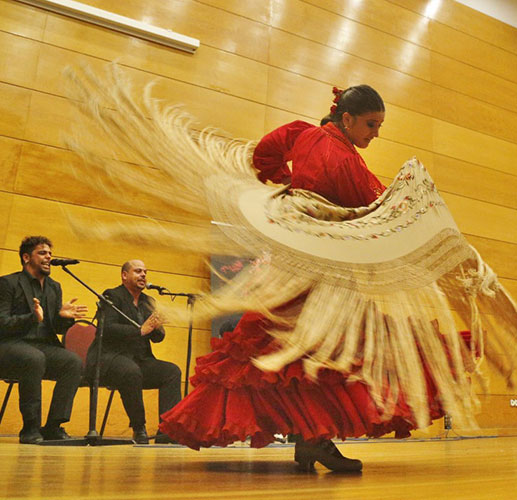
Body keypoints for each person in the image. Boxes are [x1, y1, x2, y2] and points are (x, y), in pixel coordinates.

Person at [159, 85, 419, 472]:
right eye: (371, 124)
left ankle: (311, 441)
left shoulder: (300, 132)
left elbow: (265, 154)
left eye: (379, 125)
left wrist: (287, 186)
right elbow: (374, 209)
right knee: (319, 351)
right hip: (317, 266)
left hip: (294, 261)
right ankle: (312, 440)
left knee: (288, 349)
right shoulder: (345, 160)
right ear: (346, 119)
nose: (376, 133)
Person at [0, 236, 87, 444]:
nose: (49, 257)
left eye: (50, 253)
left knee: (72, 362)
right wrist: (31, 318)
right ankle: (30, 428)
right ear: (26, 257)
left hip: (42, 347)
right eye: (42, 253)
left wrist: (63, 319)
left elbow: (54, 327)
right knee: (33, 358)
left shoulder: (54, 287)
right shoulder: (7, 283)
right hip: (6, 346)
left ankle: (53, 426)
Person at [90, 259, 181, 444]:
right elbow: (106, 329)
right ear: (124, 275)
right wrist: (139, 330)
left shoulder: (149, 301)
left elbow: (157, 337)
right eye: (138, 271)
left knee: (172, 371)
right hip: (112, 358)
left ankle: (167, 430)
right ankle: (139, 428)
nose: (143, 275)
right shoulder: (112, 296)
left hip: (140, 360)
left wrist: (157, 327)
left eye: (145, 272)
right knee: (131, 371)